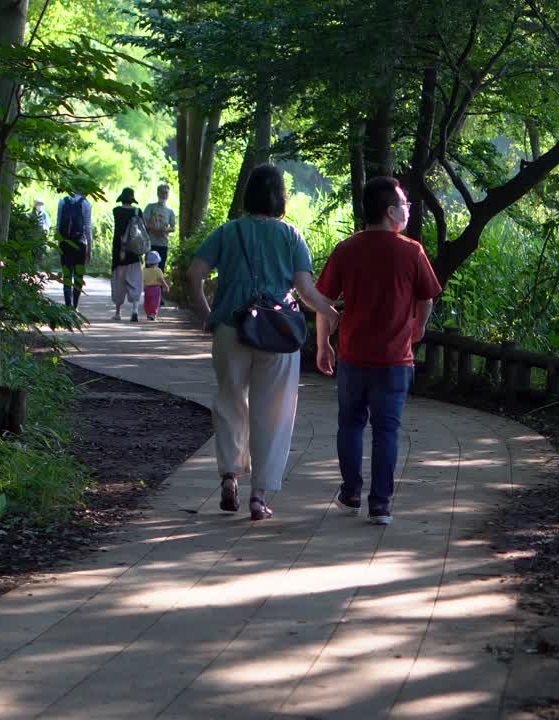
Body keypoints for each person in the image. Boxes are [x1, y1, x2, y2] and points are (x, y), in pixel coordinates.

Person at [186, 165, 340, 520]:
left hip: (230, 326)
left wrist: (207, 313)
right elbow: (304, 290)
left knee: (229, 401)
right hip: (277, 331)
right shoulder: (291, 236)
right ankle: (259, 495)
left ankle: (229, 476)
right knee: (274, 411)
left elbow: (194, 275)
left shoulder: (227, 232)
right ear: (281, 197)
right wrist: (329, 314)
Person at [316, 176, 441, 525]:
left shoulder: (347, 249)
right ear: (390, 212)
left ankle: (351, 491)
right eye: (404, 204)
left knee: (350, 425)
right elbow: (426, 298)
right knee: (387, 430)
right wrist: (417, 327)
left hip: (353, 355)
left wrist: (322, 342)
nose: (408, 209)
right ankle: (381, 505)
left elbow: (323, 301)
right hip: (394, 360)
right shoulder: (411, 251)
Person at [111, 187, 145, 322]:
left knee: (118, 281)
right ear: (132, 199)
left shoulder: (116, 211)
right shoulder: (138, 211)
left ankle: (118, 312)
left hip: (119, 251)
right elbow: (143, 230)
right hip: (134, 251)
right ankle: (135, 309)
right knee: (135, 280)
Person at [56, 192, 92, 308]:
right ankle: (75, 306)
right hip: (80, 244)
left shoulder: (62, 201)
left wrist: (59, 244)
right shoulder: (86, 204)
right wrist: (89, 249)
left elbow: (58, 225)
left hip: (65, 244)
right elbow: (88, 228)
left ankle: (68, 305)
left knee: (67, 275)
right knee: (78, 276)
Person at [143, 183, 176, 272]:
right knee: (149, 269)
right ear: (158, 193)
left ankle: (159, 286)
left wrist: (166, 230)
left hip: (163, 243)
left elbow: (173, 227)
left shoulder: (170, 212)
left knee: (160, 269)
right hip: (151, 243)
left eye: (166, 193)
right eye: (162, 192)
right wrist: (154, 229)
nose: (164, 195)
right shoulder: (151, 207)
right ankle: (147, 286)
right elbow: (144, 222)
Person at [142, 250, 170, 320]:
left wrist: (142, 287)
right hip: (156, 289)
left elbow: (142, 280)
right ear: (157, 262)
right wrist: (166, 286)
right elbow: (161, 280)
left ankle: (148, 313)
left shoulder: (144, 271)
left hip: (147, 289)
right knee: (155, 302)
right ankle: (153, 314)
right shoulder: (158, 270)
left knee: (147, 302)